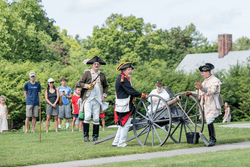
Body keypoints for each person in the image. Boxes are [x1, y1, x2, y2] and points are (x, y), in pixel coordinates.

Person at [183, 63, 222, 147]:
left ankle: (212, 139)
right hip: (205, 104)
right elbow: (199, 93)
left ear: (208, 71)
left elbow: (211, 91)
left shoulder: (215, 80)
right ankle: (211, 138)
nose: (202, 74)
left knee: (209, 120)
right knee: (208, 120)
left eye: (203, 72)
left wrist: (201, 87)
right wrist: (191, 92)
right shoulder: (205, 81)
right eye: (201, 72)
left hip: (212, 103)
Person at [112, 62, 147, 147]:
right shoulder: (123, 79)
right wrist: (142, 95)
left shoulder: (124, 78)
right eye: (129, 70)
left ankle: (116, 142)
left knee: (121, 124)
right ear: (123, 70)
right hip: (124, 105)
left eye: (131, 70)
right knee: (125, 124)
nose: (130, 71)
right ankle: (121, 143)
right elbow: (130, 91)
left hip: (123, 104)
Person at [78, 56, 109, 142]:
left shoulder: (102, 75)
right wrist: (87, 86)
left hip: (98, 99)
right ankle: (86, 136)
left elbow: (106, 86)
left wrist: (104, 95)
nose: (96, 65)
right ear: (92, 65)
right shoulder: (87, 73)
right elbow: (80, 83)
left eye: (98, 64)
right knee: (87, 117)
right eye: (95, 64)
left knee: (96, 118)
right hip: (88, 98)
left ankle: (95, 137)